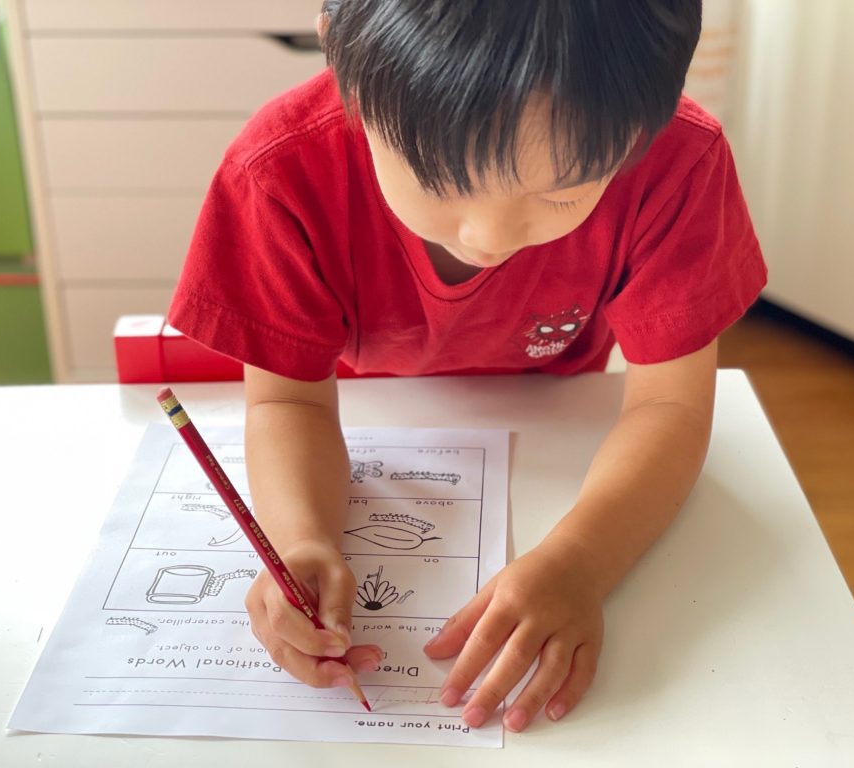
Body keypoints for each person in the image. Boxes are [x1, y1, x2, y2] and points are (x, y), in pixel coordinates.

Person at [169, 0, 766, 732]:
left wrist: (581, 561)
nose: (490, 236)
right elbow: (288, 404)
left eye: (562, 193)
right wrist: (302, 538)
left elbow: (669, 407)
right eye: (440, 181)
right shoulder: (280, 171)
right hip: (365, 416)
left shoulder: (677, 162)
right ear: (342, 63)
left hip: (556, 429)